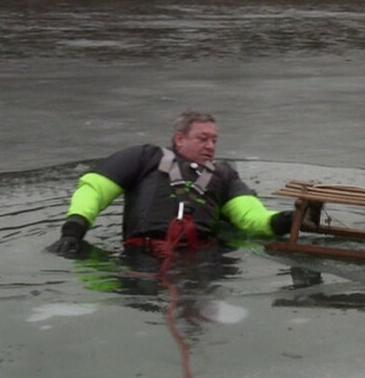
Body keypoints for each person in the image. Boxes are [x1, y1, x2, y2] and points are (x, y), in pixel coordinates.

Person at [48, 110, 293, 264]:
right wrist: (74, 230)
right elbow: (95, 189)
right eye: (203, 138)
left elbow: (251, 216)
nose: (211, 146)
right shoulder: (144, 158)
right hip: (141, 257)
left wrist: (284, 221)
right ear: (179, 139)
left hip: (202, 259)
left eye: (214, 140)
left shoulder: (224, 174)